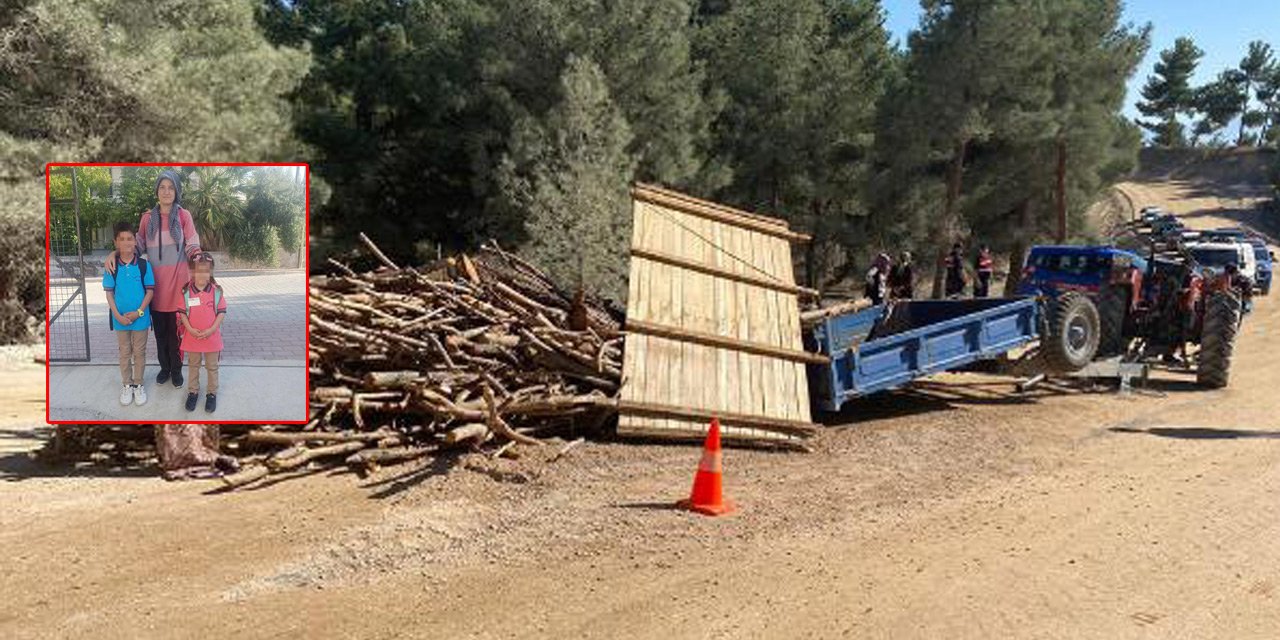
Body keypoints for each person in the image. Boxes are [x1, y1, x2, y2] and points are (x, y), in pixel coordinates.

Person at [105, 171, 203, 389]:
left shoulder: (183, 216)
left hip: (178, 286)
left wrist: (198, 258)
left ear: (176, 191)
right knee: (160, 334)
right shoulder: (147, 219)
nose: (166, 191)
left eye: (171, 187)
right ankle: (164, 369)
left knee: (176, 334)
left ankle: (177, 370)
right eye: (162, 187)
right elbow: (135, 246)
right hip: (154, 288)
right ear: (157, 191)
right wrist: (114, 253)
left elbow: (192, 243)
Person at [102, 221, 155, 407]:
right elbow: (109, 293)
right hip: (120, 320)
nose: (126, 243)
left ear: (135, 242)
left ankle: (138, 384)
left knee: (139, 352)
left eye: (130, 239)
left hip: (140, 319)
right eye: (122, 239)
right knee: (125, 353)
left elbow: (150, 291)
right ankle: (127, 385)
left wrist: (139, 312)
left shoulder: (143, 265)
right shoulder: (111, 266)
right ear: (116, 242)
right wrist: (116, 315)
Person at [179, 252, 227, 413]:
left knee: (212, 367)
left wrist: (211, 329)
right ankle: (193, 391)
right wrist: (190, 329)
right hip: (192, 337)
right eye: (198, 270)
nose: (201, 274)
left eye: (205, 271)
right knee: (193, 365)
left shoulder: (216, 291)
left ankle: (211, 394)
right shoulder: (186, 292)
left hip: (211, 337)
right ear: (193, 271)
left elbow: (221, 312)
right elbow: (182, 314)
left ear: (210, 272)